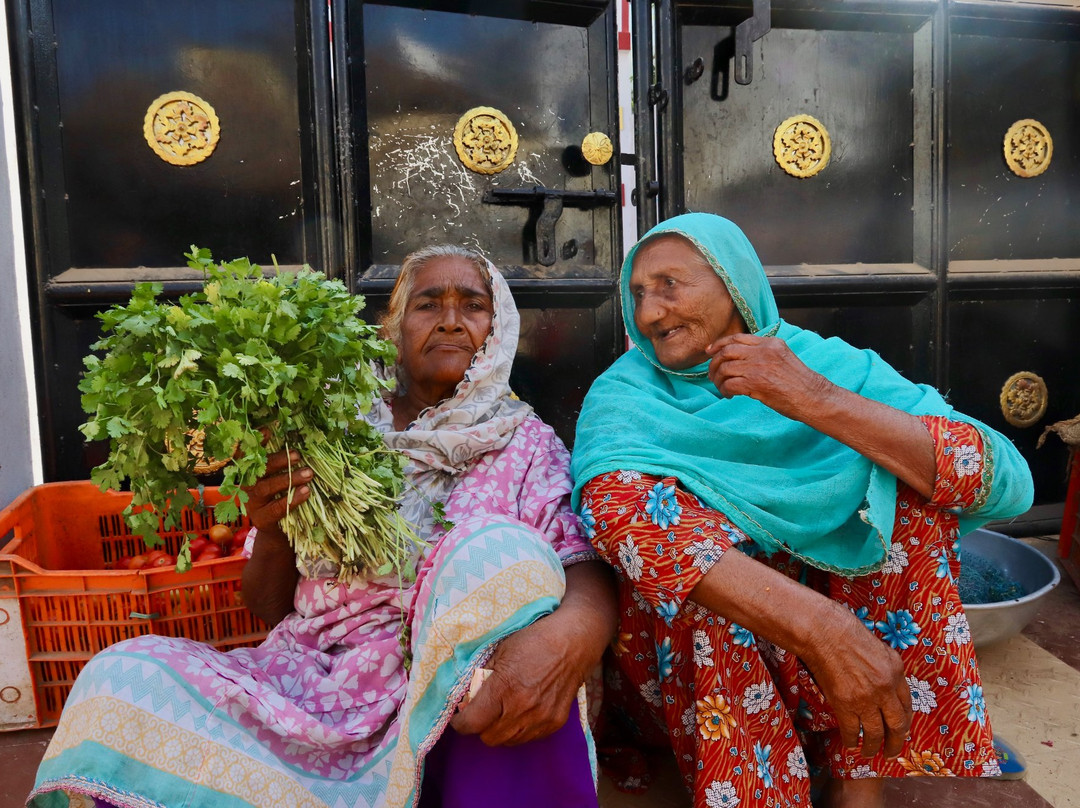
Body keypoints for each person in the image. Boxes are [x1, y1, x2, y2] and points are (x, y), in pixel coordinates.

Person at [30, 246, 618, 808]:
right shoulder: (329, 427)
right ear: (392, 328)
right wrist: (274, 522)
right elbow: (265, 606)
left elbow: (580, 564)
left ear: (499, 326)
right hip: (316, 677)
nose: (449, 320)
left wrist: (564, 643)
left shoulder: (526, 443)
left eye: (473, 304)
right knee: (122, 678)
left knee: (496, 548)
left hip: (449, 677)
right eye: (427, 303)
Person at [570, 214, 1034, 808]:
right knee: (701, 568)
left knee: (909, 492)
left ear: (736, 285)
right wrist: (827, 634)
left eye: (669, 285)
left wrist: (810, 398)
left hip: (839, 678)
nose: (650, 314)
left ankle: (859, 774)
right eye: (638, 293)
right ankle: (759, 788)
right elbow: (617, 510)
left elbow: (999, 478)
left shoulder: (820, 364)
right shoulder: (628, 393)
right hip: (694, 679)